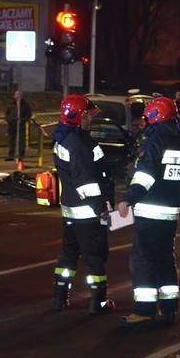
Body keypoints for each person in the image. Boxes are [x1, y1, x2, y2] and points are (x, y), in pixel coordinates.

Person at [117, 97, 180, 326]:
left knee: (142, 260)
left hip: (149, 214)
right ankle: (168, 309)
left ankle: (144, 311)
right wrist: (179, 205)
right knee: (165, 260)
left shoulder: (155, 140)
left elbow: (146, 176)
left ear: (154, 116)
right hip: (170, 216)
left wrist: (128, 199)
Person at [52, 94, 115, 314]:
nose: (91, 120)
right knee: (94, 257)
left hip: (71, 211)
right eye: (87, 116)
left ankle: (60, 298)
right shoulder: (78, 143)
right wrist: (101, 209)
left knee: (68, 255)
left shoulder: (66, 138)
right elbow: (85, 181)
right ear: (76, 117)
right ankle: (98, 303)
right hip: (87, 213)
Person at [5, 90, 32, 160]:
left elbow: (29, 113)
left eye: (19, 95)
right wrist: (9, 120)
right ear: (14, 96)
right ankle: (11, 155)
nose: (18, 96)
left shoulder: (25, 104)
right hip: (12, 124)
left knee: (21, 141)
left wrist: (23, 120)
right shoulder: (11, 104)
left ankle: (21, 156)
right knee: (11, 140)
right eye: (16, 95)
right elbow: (7, 112)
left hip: (21, 124)